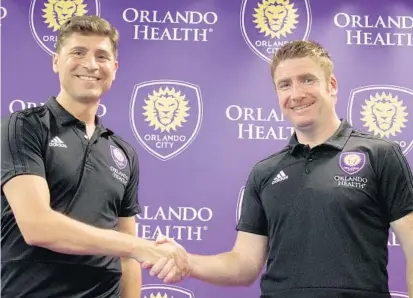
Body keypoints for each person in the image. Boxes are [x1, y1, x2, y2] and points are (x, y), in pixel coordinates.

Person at [143, 40, 413, 298]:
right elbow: (243, 265)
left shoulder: (380, 154)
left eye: (307, 79)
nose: (296, 94)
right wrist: (186, 261)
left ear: (331, 85)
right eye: (285, 85)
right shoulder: (265, 172)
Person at [1, 15, 189, 298]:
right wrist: (140, 246)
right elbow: (38, 226)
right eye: (78, 52)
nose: (90, 64)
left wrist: (135, 248)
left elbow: (126, 258)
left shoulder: (123, 153)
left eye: (101, 56)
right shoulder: (23, 126)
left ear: (114, 68)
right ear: (56, 61)